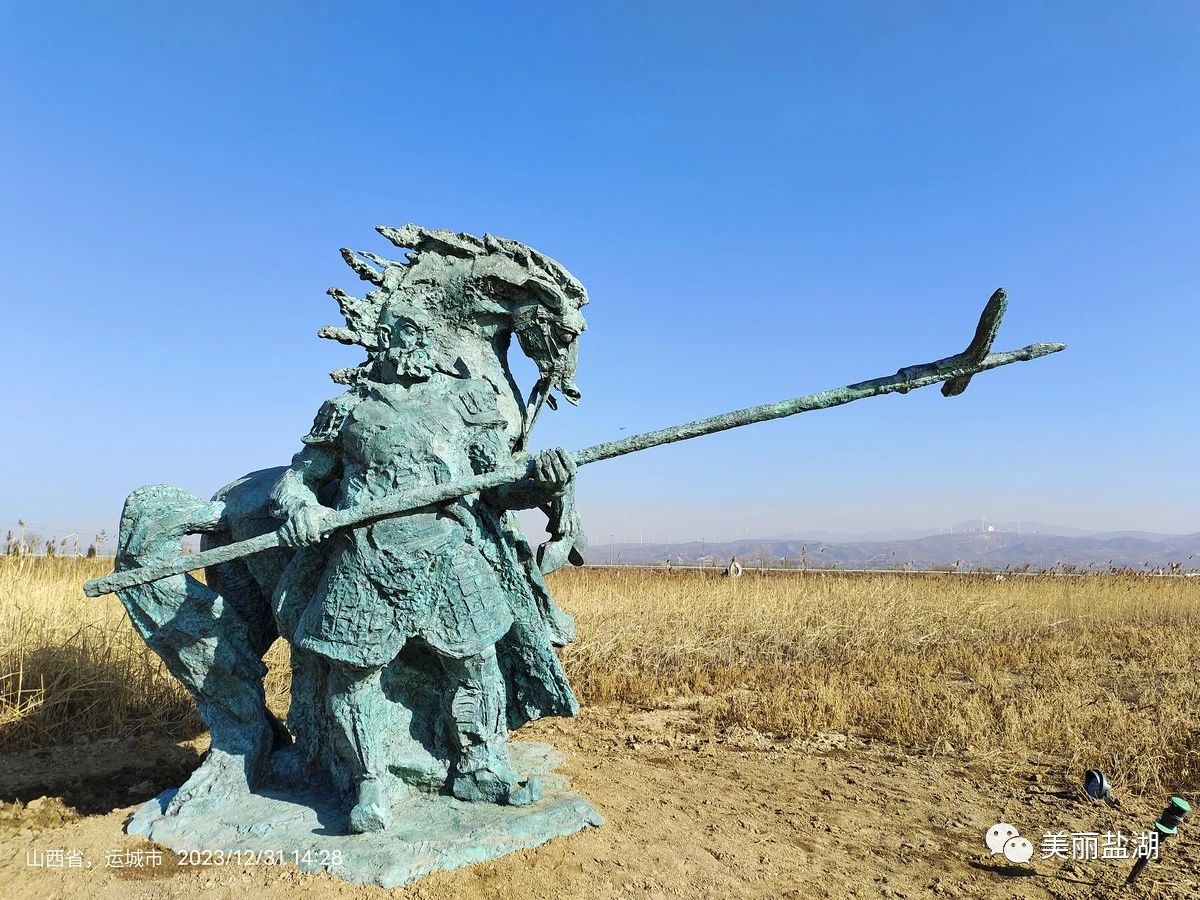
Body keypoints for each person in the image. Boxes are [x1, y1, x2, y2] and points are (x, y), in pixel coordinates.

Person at [268, 300, 576, 833]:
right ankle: (369, 780)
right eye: (405, 330)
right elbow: (297, 480)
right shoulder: (347, 409)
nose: (418, 341)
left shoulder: (466, 400)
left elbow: (500, 487)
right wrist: (302, 508)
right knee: (353, 675)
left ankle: (479, 767)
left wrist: (541, 481)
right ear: (382, 338)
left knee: (477, 663)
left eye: (425, 332)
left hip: (448, 551)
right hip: (365, 556)